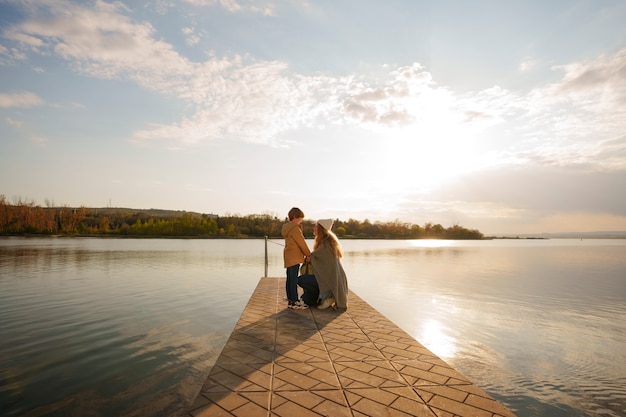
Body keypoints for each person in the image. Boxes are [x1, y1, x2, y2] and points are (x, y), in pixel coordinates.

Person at [298, 218, 348, 310]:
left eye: (316, 226)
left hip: (328, 281)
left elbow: (315, 257)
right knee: (306, 300)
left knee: (301, 280)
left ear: (320, 229)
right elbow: (319, 259)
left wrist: (310, 258)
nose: (314, 228)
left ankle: (328, 296)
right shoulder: (328, 242)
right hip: (329, 279)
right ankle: (318, 298)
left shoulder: (326, 243)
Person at [281, 207, 311, 310]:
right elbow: (301, 242)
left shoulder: (287, 227)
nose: (301, 221)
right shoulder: (294, 228)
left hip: (288, 256)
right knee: (293, 279)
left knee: (289, 279)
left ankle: (290, 301)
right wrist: (308, 254)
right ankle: (295, 301)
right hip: (294, 257)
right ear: (295, 217)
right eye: (300, 218)